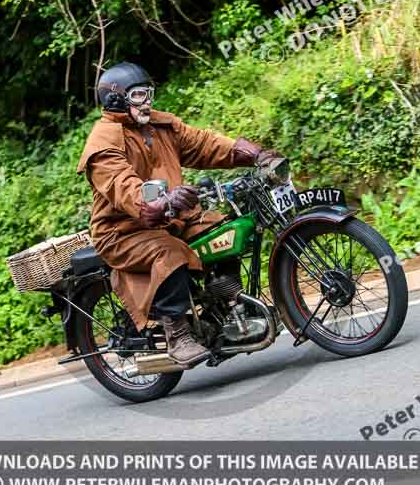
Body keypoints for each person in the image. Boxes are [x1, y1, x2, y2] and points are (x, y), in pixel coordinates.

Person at [77, 62, 282, 365]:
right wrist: (161, 201)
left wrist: (255, 154)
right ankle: (178, 335)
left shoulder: (160, 127)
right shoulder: (102, 143)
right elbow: (125, 187)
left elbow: (204, 144)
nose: (147, 100)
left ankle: (227, 304)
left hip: (172, 219)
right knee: (170, 254)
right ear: (116, 100)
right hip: (123, 232)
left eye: (148, 93)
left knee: (223, 231)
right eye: (138, 96)